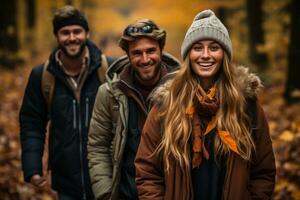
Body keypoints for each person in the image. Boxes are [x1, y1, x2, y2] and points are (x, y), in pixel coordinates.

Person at [135, 10, 276, 200]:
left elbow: (263, 172)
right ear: (188, 55)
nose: (206, 55)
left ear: (224, 54)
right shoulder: (166, 105)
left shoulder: (245, 104)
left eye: (214, 47)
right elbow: (147, 173)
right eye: (198, 48)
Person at [19, 5, 114, 200]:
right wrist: (32, 166)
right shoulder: (43, 76)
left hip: (109, 177)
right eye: (65, 32)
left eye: (77, 31)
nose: (72, 38)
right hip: (66, 182)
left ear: (86, 33)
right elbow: (32, 123)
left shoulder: (109, 69)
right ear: (57, 36)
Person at [87, 19, 180, 200]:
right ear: (128, 55)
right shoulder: (109, 94)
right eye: (137, 53)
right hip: (126, 193)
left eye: (151, 51)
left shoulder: (182, 90)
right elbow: (97, 147)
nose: (145, 59)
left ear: (161, 49)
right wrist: (105, 193)